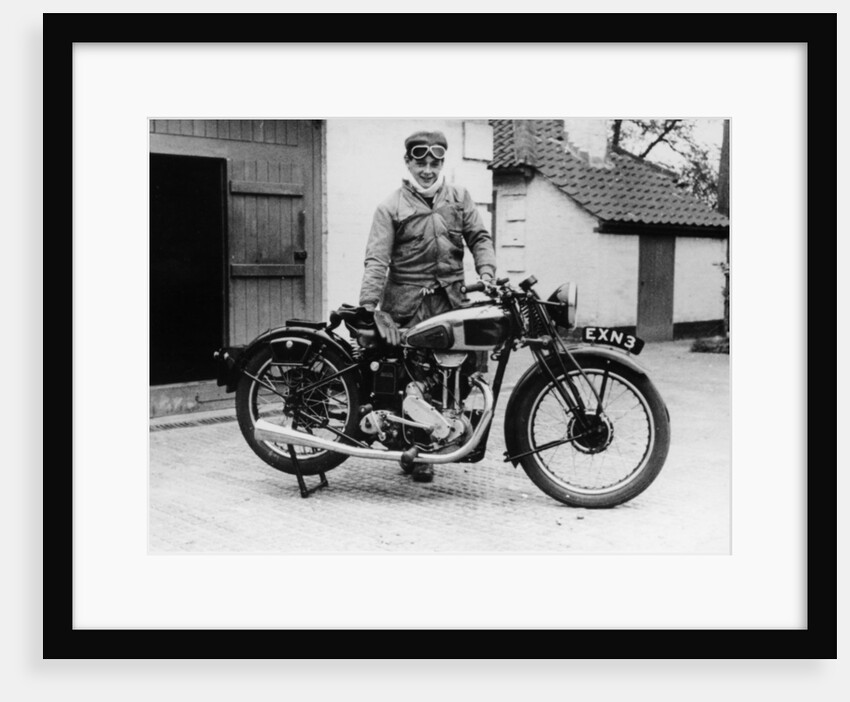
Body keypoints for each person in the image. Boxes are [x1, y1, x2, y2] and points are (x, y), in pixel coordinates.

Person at [358, 129, 497, 483]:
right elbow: (377, 260)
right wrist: (368, 306)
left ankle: (445, 436)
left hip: (451, 303)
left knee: (456, 375)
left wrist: (488, 269)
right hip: (407, 308)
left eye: (435, 163)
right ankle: (419, 452)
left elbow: (479, 238)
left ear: (442, 164)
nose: (428, 170)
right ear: (408, 163)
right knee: (414, 379)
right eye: (420, 163)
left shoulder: (460, 199)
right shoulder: (391, 207)